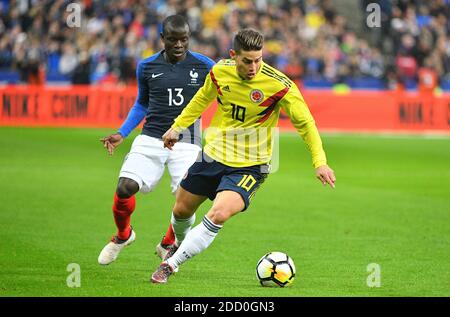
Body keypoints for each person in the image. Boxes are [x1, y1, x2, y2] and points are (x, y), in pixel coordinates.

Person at [150, 28, 336, 283]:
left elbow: (306, 124)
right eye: (247, 60)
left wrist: (320, 162)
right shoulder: (219, 71)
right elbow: (201, 99)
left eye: (258, 59)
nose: (254, 66)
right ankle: (177, 245)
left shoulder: (280, 85)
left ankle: (170, 265)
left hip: (251, 166)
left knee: (218, 214)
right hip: (213, 155)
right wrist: (177, 127)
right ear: (233, 55)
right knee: (181, 210)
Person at [98, 15, 215, 266]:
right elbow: (142, 103)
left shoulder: (206, 66)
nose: (179, 45)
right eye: (173, 40)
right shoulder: (146, 66)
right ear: (163, 39)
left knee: (188, 200)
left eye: (184, 39)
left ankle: (168, 243)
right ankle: (123, 235)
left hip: (187, 140)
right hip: (151, 137)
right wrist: (123, 132)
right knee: (124, 187)